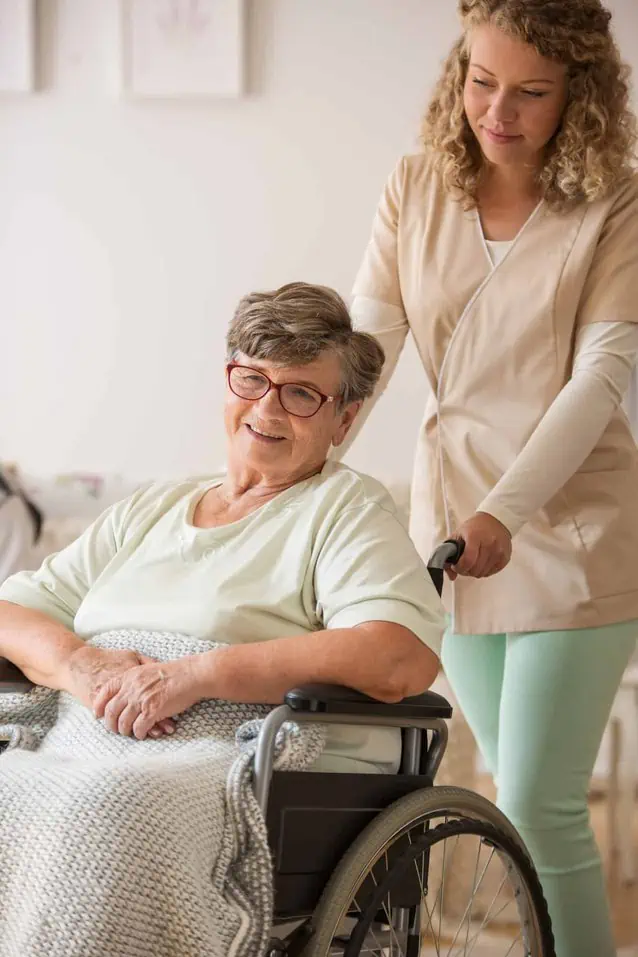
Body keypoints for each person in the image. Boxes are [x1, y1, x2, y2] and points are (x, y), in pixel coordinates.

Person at [346, 1, 638, 954]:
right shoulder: (414, 185)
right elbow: (365, 351)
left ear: (580, 97)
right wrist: (304, 466)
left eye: (530, 92)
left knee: (543, 808)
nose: (497, 111)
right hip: (454, 533)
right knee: (515, 804)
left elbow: (601, 376)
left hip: (572, 528)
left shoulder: (615, 205)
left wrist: (506, 508)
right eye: (480, 80)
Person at [0, 281, 443, 771]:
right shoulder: (154, 507)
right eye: (252, 379)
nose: (267, 409)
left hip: (223, 762)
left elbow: (398, 655)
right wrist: (79, 664)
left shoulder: (345, 510)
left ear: (344, 420)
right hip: (81, 748)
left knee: (99, 811)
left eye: (300, 393)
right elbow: (10, 614)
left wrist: (195, 676)